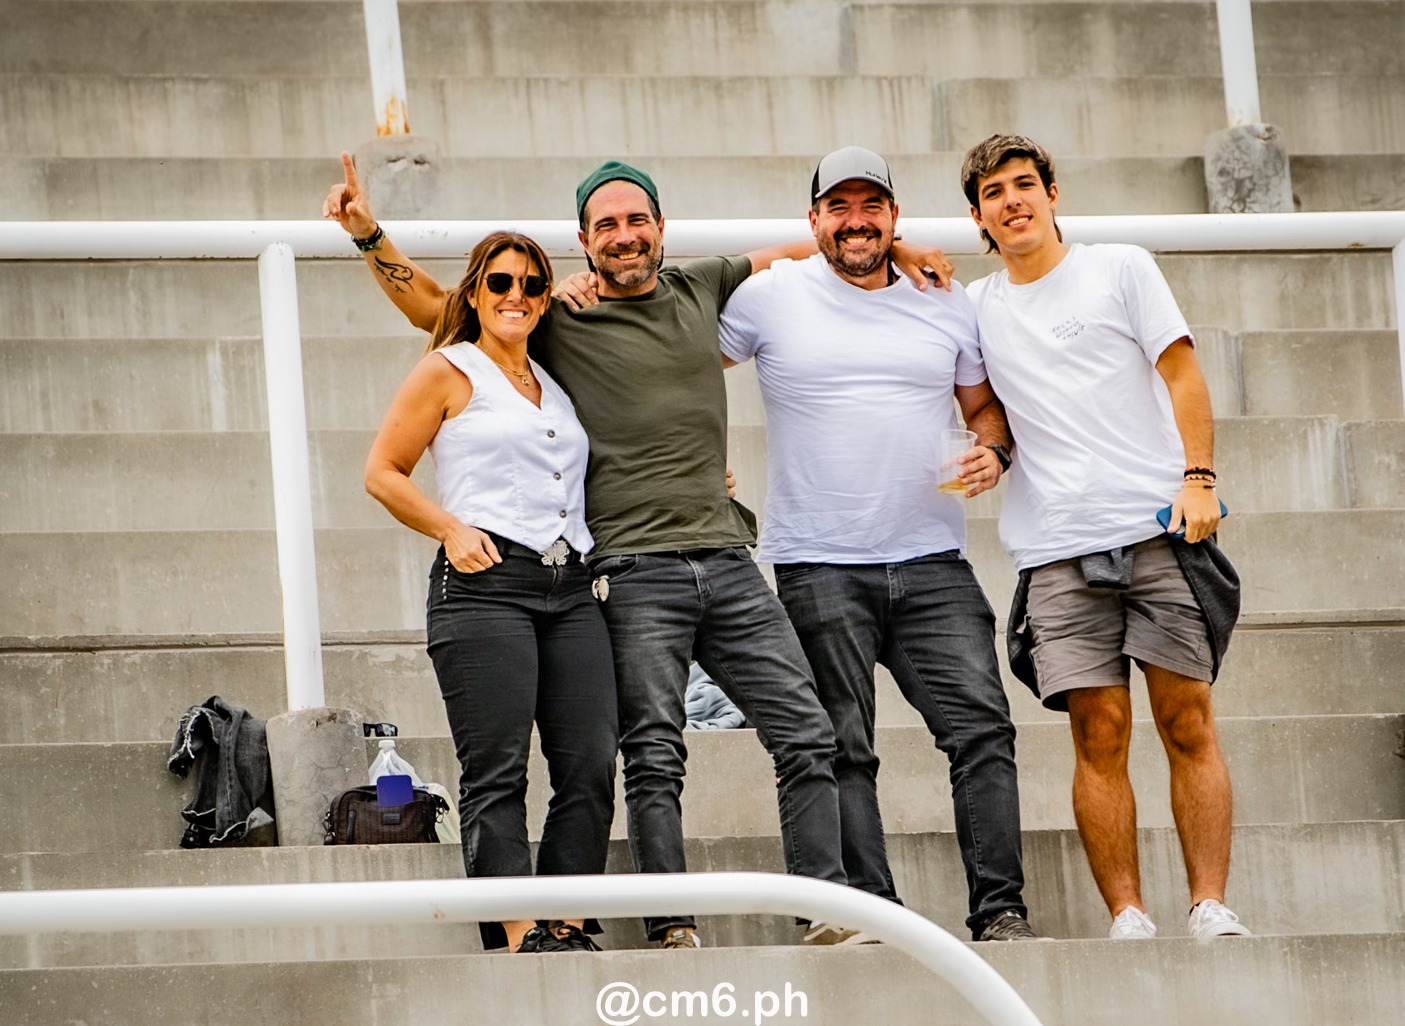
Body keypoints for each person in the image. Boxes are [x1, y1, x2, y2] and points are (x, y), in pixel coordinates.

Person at [324, 154, 949, 948]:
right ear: (585, 242)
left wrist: (898, 250)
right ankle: (663, 925)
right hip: (622, 570)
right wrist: (368, 234)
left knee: (804, 732)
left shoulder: (698, 287)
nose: (624, 236)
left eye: (636, 219)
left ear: (660, 227)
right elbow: (438, 311)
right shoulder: (552, 320)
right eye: (606, 225)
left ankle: (823, 909)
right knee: (646, 753)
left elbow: (806, 247)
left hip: (721, 558)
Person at [716, 146, 1039, 942]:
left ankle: (999, 910)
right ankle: (872, 916)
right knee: (839, 748)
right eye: (838, 207)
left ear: (893, 216)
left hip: (932, 562)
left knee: (982, 734)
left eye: (872, 208)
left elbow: (984, 407)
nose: (855, 222)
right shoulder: (769, 296)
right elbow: (672, 359)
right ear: (813, 218)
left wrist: (991, 450)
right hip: (817, 563)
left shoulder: (945, 301)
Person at [960, 133, 1251, 942]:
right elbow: (985, 406)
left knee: (1186, 720)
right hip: (1055, 550)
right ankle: (1127, 913)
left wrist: (1199, 478)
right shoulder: (979, 305)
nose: (1012, 201)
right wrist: (991, 450)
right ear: (978, 215)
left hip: (1159, 533)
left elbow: (1182, 373)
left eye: (1024, 185)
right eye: (993, 194)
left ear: (1052, 193)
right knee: (1098, 733)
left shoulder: (1119, 266)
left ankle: (1209, 904)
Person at [361, 229, 618, 954]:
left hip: (570, 587)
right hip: (483, 586)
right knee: (498, 768)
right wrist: (447, 527)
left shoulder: (553, 380)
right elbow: (382, 471)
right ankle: (517, 931)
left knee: (591, 763)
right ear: (474, 292)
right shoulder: (447, 369)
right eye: (500, 283)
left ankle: (564, 924)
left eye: (533, 285)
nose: (517, 296)